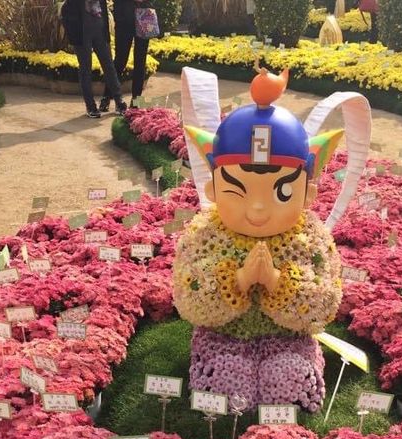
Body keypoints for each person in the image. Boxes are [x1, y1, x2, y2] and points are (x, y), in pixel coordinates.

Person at [173, 67, 346, 413]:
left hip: (288, 341)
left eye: (281, 191)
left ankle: (289, 379)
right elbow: (186, 293)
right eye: (237, 190)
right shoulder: (205, 232)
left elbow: (325, 301)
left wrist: (278, 283)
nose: (257, 208)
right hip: (223, 338)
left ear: (307, 195)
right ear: (213, 189)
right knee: (224, 383)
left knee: (289, 380)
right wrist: (234, 281)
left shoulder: (310, 239)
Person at [61, 0, 127, 118]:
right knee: (86, 69)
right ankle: (90, 106)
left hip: (99, 30)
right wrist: (71, 31)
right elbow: (66, 9)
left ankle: (119, 101)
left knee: (109, 66)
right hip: (81, 32)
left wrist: (106, 32)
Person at [99, 0, 151, 113]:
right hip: (124, 19)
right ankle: (106, 97)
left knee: (140, 60)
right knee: (120, 60)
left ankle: (137, 101)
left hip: (144, 17)